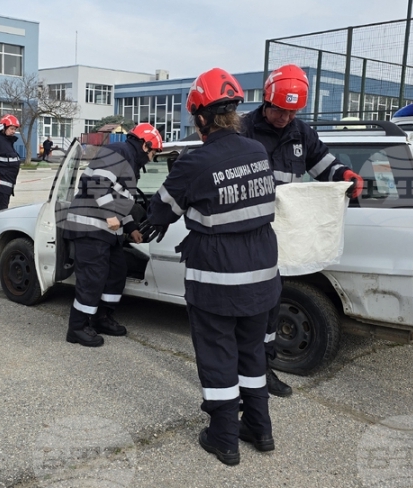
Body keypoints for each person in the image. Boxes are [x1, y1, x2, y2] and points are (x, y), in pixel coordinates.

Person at [143, 68, 280, 466]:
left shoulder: (194, 161)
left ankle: (223, 438)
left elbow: (161, 210)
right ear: (233, 112)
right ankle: (260, 427)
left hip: (217, 279)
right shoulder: (256, 150)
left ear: (201, 117)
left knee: (219, 355)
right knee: (252, 353)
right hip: (262, 275)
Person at [241, 63, 364, 398]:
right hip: (244, 236)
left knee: (268, 309)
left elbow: (325, 164)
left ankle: (262, 372)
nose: (285, 118)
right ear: (267, 100)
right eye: (280, 110)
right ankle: (241, 376)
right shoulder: (243, 130)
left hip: (277, 240)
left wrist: (345, 177)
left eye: (292, 112)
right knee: (245, 311)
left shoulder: (301, 133)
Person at [64, 123, 163, 347]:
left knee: (117, 272)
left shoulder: (130, 162)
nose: (153, 157)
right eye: (154, 152)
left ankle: (102, 318)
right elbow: (93, 182)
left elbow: (120, 203)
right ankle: (77, 328)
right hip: (90, 227)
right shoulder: (120, 152)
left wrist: (131, 228)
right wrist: (110, 214)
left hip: (107, 231)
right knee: (92, 279)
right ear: (145, 145)